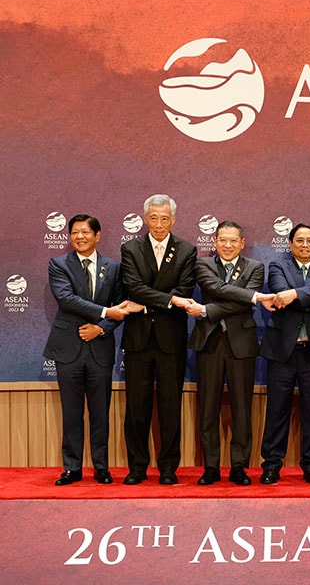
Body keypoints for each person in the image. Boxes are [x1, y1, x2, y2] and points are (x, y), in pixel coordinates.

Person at [44, 215, 134, 485]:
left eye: (85, 232)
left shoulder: (113, 267)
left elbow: (122, 307)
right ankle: (72, 468)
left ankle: (101, 467)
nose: (79, 237)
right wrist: (106, 312)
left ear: (97, 235)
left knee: (100, 412)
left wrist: (102, 328)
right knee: (71, 413)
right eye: (74, 233)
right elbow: (67, 299)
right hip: (68, 348)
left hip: (100, 348)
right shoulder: (58, 264)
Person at [184, 221, 269, 486]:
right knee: (208, 407)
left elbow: (240, 301)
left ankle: (239, 466)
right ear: (216, 242)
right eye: (223, 240)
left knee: (242, 408)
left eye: (233, 240)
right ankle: (210, 467)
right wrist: (250, 298)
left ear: (242, 243)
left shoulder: (256, 267)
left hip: (241, 344)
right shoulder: (203, 265)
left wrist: (208, 310)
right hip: (209, 342)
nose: (228, 245)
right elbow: (219, 291)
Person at [120, 194, 197, 485]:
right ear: (144, 218)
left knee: (170, 407)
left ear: (173, 219)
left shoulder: (187, 250)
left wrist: (148, 304)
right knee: (136, 407)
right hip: (138, 339)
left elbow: (185, 289)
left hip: (171, 340)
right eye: (153, 218)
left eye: (165, 218)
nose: (159, 224)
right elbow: (134, 287)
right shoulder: (131, 248)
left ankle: (168, 469)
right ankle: (137, 467)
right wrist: (165, 301)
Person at [259, 223, 310, 485]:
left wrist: (294, 295)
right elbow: (279, 294)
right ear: (290, 244)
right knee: (276, 411)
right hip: (283, 351)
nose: (305, 245)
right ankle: (271, 465)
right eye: (299, 240)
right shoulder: (278, 267)